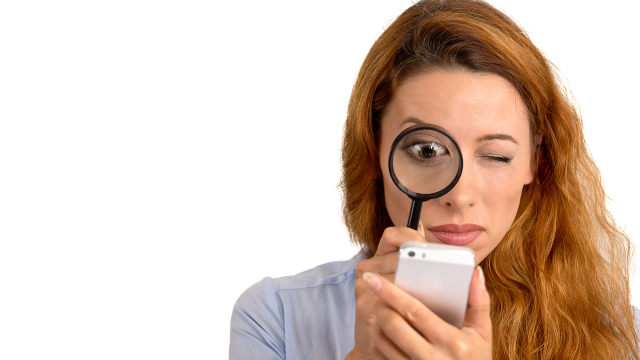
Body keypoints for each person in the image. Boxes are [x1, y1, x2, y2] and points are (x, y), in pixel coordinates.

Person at [229, 0, 640, 359]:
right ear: (375, 152)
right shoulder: (276, 318)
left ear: (535, 161)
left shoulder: (624, 337)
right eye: (427, 151)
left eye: (496, 154)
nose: (459, 196)